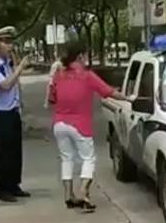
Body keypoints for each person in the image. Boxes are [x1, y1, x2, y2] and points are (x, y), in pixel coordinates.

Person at [49, 41, 133, 212]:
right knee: (88, 158)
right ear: (80, 56)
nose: (87, 58)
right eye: (86, 55)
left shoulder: (59, 75)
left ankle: (68, 196)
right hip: (79, 125)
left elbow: (52, 98)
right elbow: (109, 92)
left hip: (59, 124)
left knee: (67, 158)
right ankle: (84, 194)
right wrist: (128, 98)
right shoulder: (87, 76)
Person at [0, 26, 30, 203]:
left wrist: (19, 103)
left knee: (15, 151)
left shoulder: (7, 62)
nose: (10, 46)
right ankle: (3, 188)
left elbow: (16, 84)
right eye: (5, 42)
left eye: (11, 42)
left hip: (12, 111)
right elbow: (5, 85)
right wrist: (20, 68)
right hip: (0, 114)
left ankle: (14, 185)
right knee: (4, 153)